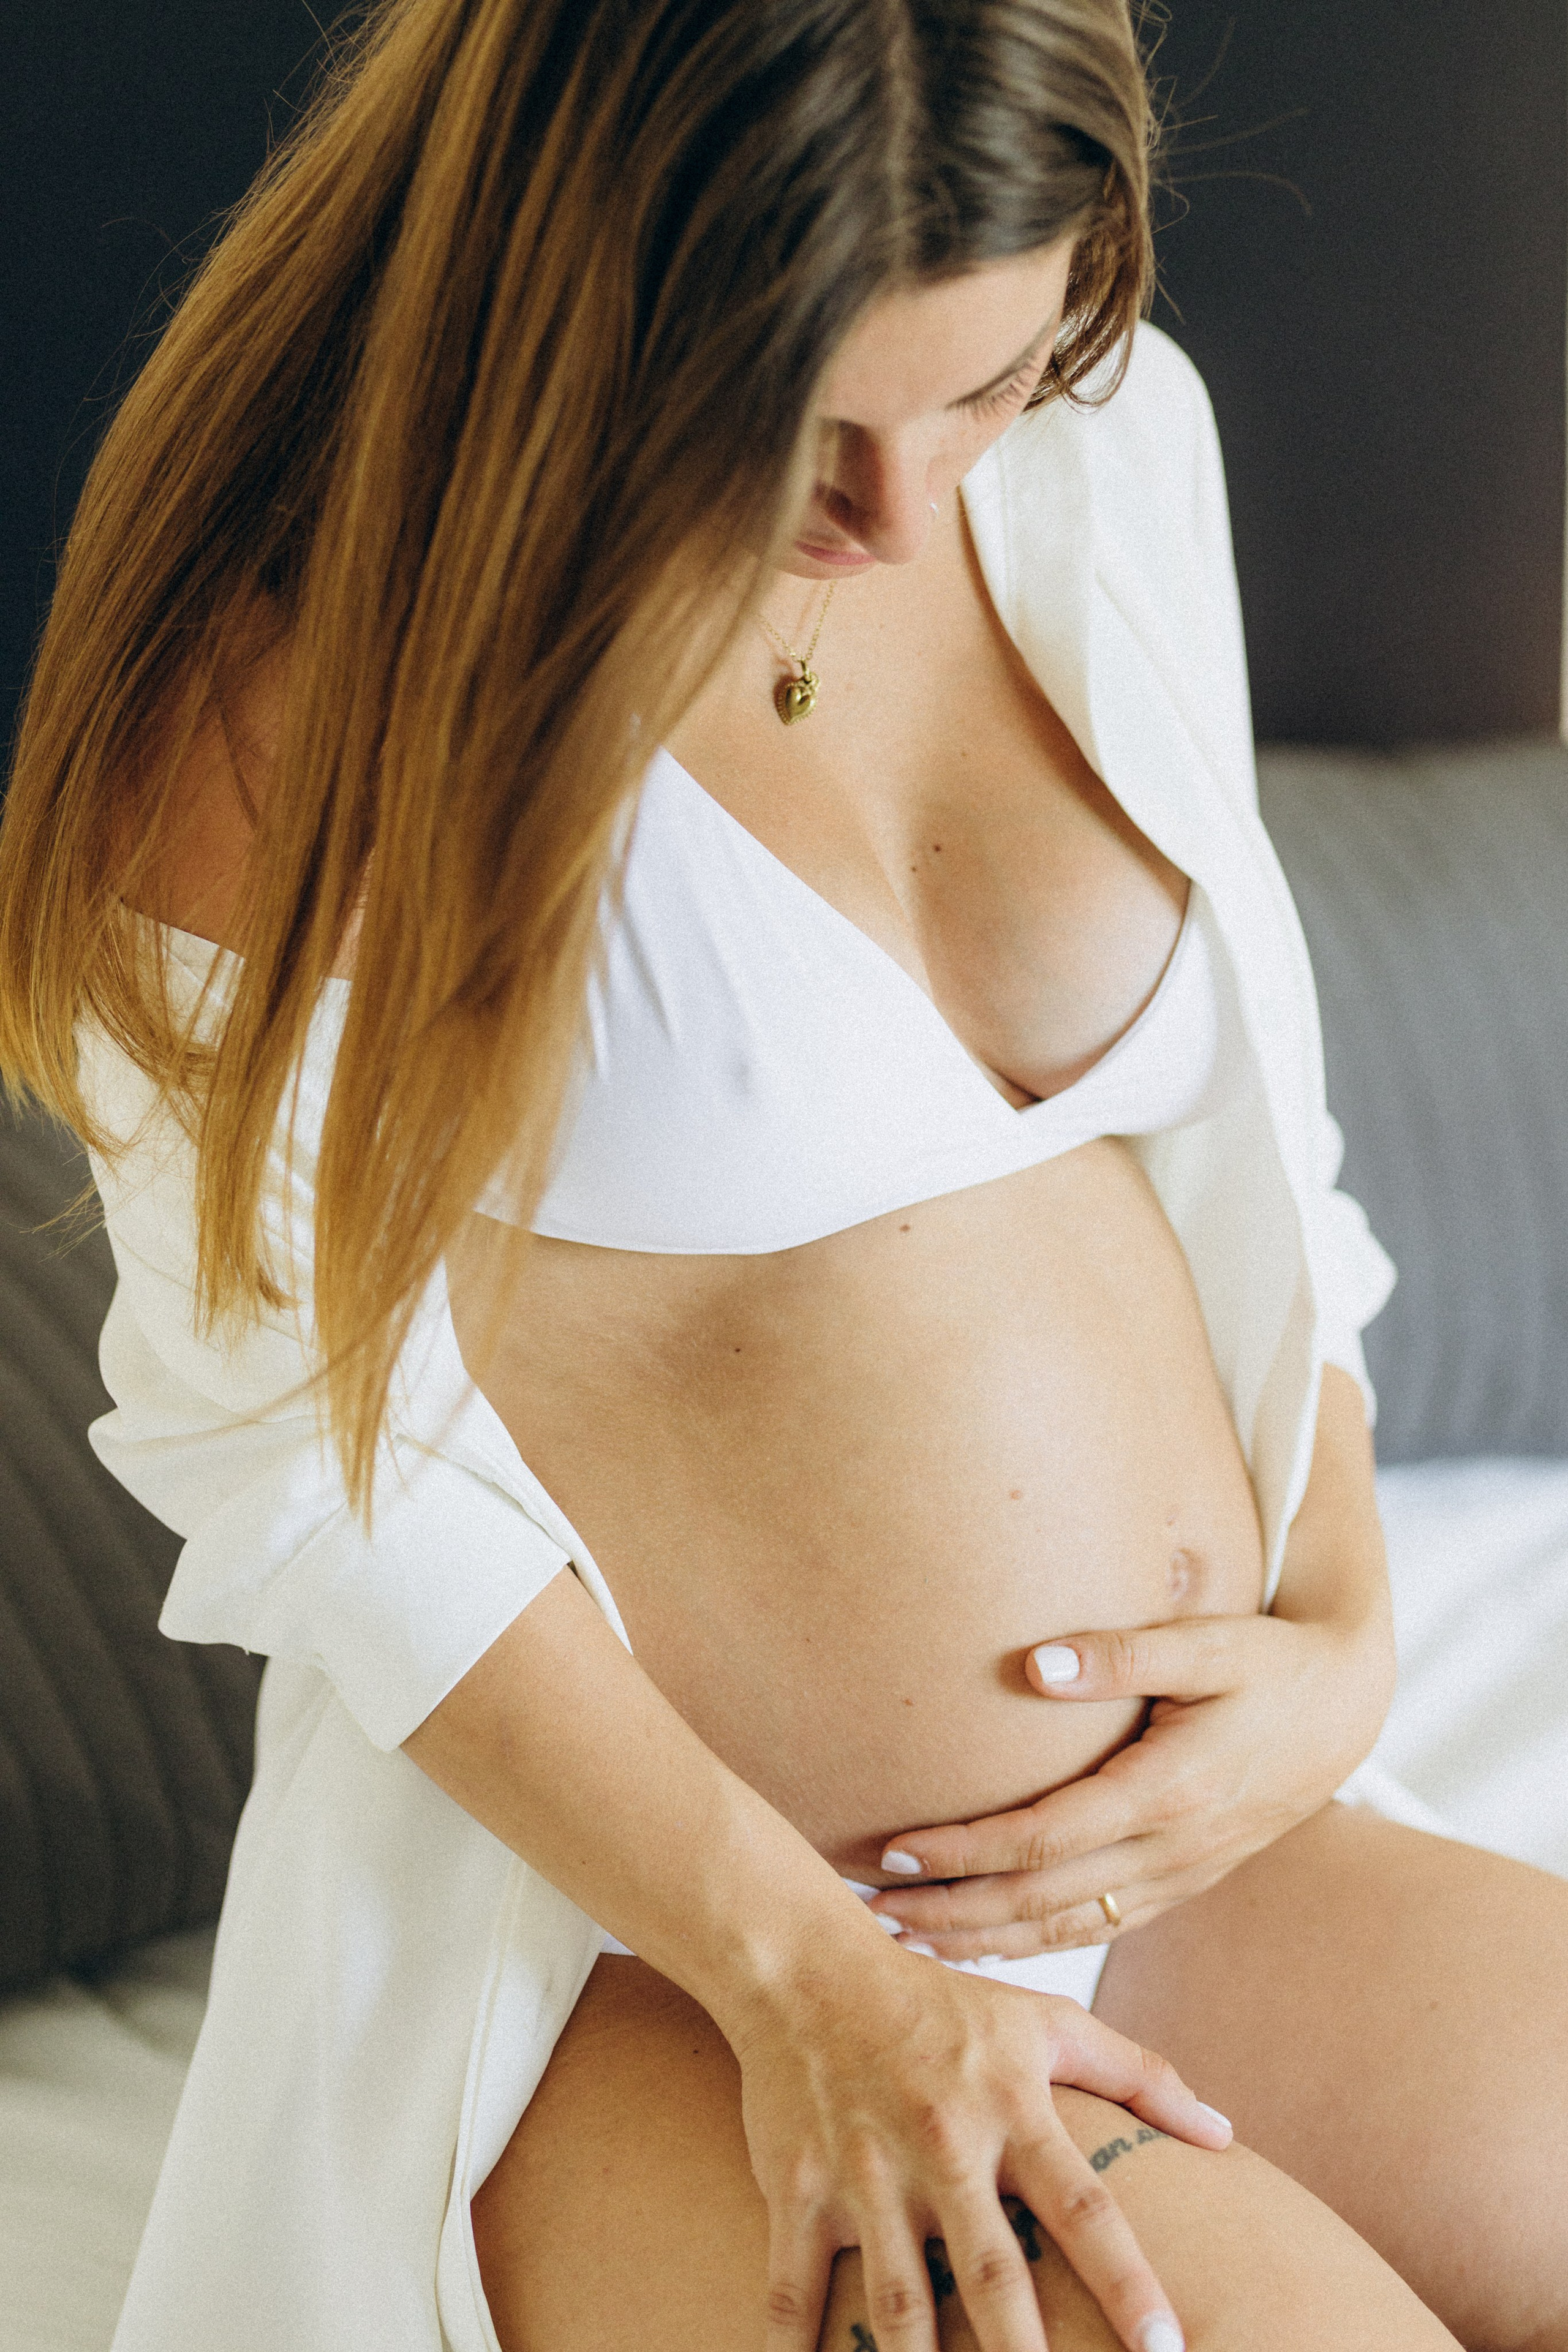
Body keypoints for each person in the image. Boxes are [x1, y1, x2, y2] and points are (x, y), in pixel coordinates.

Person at [1, 1, 1565, 2346]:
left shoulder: (1110, 440)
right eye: (798, 422)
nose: (909, 509)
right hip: (668, 1968)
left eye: (981, 383)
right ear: (568, 303)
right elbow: (314, 1464)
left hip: (1206, 1864)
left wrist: (1337, 1636)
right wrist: (810, 1982)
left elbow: (1263, 1160)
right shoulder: (291, 697)